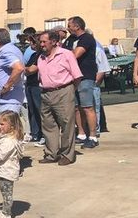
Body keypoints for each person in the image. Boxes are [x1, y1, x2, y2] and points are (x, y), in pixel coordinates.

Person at [36, 30, 81, 166]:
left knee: (66, 124)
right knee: (48, 125)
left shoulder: (66, 54)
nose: (41, 44)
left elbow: (77, 76)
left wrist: (69, 92)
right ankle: (51, 154)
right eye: (40, 41)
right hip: (45, 93)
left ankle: (67, 155)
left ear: (54, 42)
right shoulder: (41, 57)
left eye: (44, 41)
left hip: (63, 91)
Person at [64, 16, 99, 149]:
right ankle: (81, 134)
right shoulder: (70, 39)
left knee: (87, 107)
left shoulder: (87, 39)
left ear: (77, 26)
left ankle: (93, 136)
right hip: (73, 78)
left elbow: (75, 54)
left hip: (85, 76)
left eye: (70, 25)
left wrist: (64, 56)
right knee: (76, 107)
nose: (68, 28)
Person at [0, 28, 26, 115]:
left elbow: (19, 68)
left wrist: (7, 86)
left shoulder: (6, 51)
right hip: (9, 99)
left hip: (8, 100)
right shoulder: (12, 49)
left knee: (8, 127)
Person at [23, 34, 44, 144]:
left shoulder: (41, 55)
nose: (31, 44)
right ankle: (35, 133)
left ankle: (44, 134)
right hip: (29, 85)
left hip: (36, 85)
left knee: (39, 109)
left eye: (33, 42)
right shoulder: (33, 55)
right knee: (32, 110)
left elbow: (31, 69)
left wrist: (25, 68)